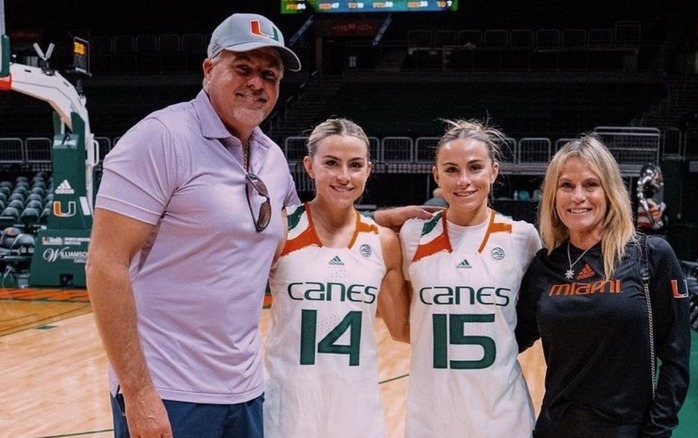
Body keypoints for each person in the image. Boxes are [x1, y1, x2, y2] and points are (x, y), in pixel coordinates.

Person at [85, 13, 429, 438]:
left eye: (269, 74)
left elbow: (306, 231)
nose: (257, 83)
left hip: (246, 391)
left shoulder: (269, 158)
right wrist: (137, 393)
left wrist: (375, 222)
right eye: (243, 68)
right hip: (171, 390)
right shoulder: (159, 138)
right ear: (209, 70)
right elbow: (104, 264)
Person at [515, 134, 691, 437]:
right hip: (554, 428)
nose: (578, 196)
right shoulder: (544, 266)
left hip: (625, 430)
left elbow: (676, 358)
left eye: (591, 184)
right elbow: (511, 339)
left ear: (610, 191)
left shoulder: (650, 256)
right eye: (566, 185)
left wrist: (656, 431)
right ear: (552, 196)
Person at [263, 118, 410, 437]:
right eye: (331, 163)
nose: (344, 176)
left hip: (357, 411)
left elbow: (402, 329)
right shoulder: (280, 230)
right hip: (289, 408)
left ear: (368, 170)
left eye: (355, 165)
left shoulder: (382, 243)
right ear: (309, 166)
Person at [399, 119, 541, 437]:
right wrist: (379, 217)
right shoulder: (411, 235)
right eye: (451, 169)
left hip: (504, 417)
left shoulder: (523, 238)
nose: (464, 180)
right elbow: (400, 328)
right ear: (436, 175)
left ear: (493, 171)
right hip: (432, 417)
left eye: (475, 167)